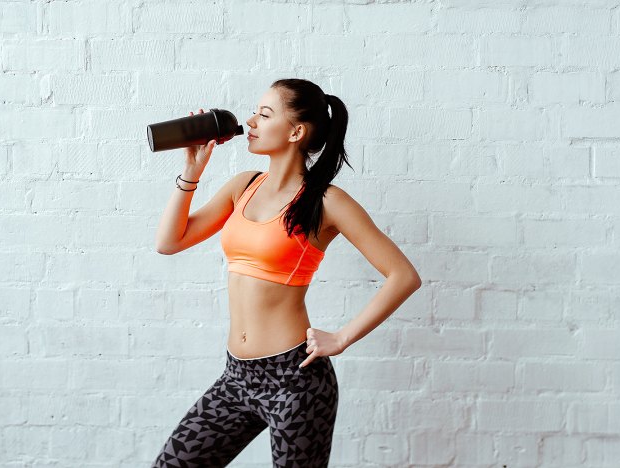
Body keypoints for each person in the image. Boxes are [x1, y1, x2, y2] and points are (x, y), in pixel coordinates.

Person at [151, 78, 422, 467]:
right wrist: (191, 173)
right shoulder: (243, 184)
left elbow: (403, 275)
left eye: (264, 114)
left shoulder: (327, 201)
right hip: (236, 378)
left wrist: (343, 338)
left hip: (294, 382)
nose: (251, 121)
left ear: (296, 131)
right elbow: (169, 242)